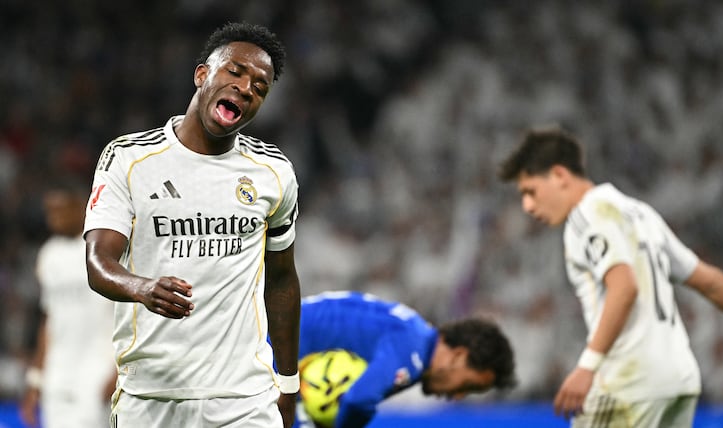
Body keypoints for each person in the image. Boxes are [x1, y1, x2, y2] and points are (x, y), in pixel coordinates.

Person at [83, 22, 301, 428]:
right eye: (235, 71)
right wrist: (142, 288)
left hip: (244, 400)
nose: (246, 88)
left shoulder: (273, 173)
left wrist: (288, 385)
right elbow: (98, 262)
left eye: (260, 87)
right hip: (151, 396)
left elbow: (282, 279)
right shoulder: (129, 159)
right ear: (202, 75)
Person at [497, 126, 723, 427]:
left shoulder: (587, 216)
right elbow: (710, 282)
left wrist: (587, 366)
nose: (527, 206)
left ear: (560, 175)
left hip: (629, 382)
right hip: (678, 380)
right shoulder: (640, 213)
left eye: (530, 191)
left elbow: (624, 287)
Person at [294, 290, 516, 428]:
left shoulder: (414, 336)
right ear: (458, 356)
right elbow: (358, 400)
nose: (458, 396)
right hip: (277, 356)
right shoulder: (412, 352)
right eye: (468, 386)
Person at [19, 178, 116, 428]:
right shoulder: (48, 254)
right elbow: (48, 319)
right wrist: (36, 378)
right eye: (50, 211)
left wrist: (118, 370)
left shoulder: (104, 248)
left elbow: (126, 312)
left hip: (97, 366)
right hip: (58, 371)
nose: (54, 218)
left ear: (81, 207)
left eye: (61, 210)